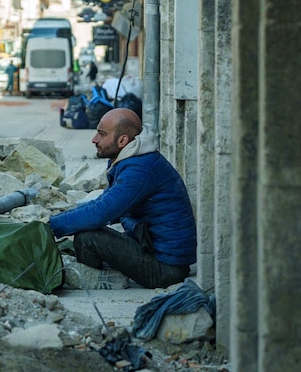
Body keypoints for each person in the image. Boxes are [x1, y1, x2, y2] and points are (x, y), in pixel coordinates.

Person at [48, 108, 197, 289]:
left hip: (166, 270)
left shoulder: (140, 169)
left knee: (87, 238)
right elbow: (103, 203)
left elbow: (101, 213)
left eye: (101, 134)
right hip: (156, 253)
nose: (94, 139)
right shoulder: (133, 158)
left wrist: (49, 228)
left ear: (122, 140)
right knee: (86, 229)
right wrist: (57, 220)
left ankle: (97, 279)